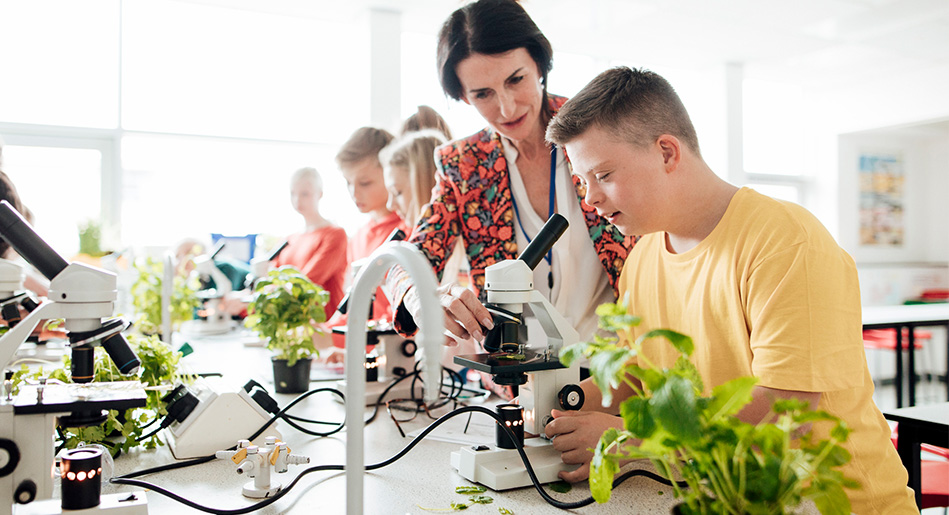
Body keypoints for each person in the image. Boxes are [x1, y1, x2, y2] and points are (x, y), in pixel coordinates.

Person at [543, 66, 917, 514]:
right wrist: (561, 406)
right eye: (582, 180)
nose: (590, 198)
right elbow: (638, 373)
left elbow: (785, 412)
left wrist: (627, 440)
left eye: (602, 174)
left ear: (666, 152)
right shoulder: (643, 256)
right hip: (722, 498)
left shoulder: (786, 241)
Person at [384, 0, 634, 398]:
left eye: (515, 79)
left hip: (617, 376)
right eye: (482, 94)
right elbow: (406, 260)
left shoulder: (601, 128)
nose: (506, 107)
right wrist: (421, 298)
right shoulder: (462, 165)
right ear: (464, 97)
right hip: (520, 384)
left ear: (539, 65)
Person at [337, 127, 407, 322]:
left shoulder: (407, 232)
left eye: (365, 183)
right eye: (347, 182)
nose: (354, 192)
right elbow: (351, 308)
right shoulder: (359, 236)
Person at [271, 167, 347, 319]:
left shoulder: (335, 235)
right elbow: (272, 276)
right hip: (291, 323)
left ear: (319, 194)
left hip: (323, 325)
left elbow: (307, 281)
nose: (297, 200)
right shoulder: (289, 239)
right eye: (293, 193)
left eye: (305, 194)